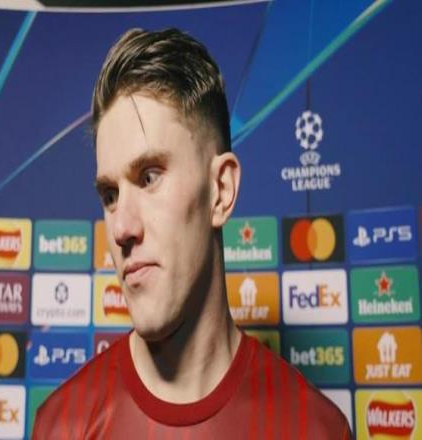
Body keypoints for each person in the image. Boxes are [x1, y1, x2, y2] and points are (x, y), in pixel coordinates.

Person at [32, 28, 352, 439]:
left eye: (149, 177)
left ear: (220, 190)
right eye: (110, 195)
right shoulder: (63, 424)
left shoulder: (314, 429)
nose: (122, 228)